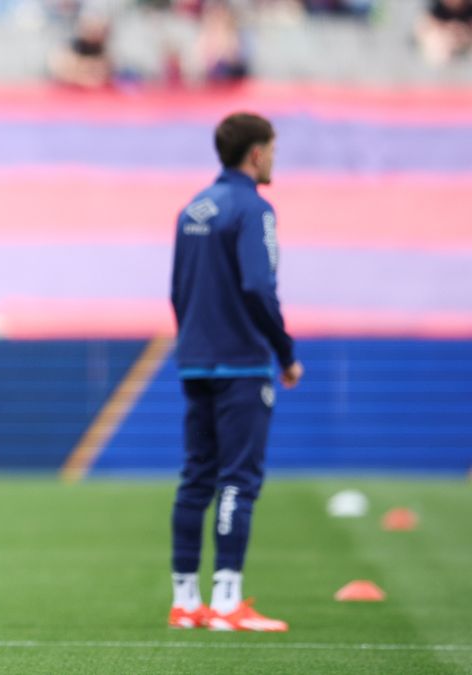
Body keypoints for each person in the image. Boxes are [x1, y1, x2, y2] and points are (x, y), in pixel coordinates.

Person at [167, 112, 303, 632]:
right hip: (241, 363)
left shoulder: (192, 208)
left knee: (196, 477)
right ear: (255, 153)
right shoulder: (254, 209)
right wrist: (284, 352)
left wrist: (193, 341)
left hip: (195, 358)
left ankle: (186, 601)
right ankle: (226, 602)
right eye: (271, 148)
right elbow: (258, 286)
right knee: (238, 481)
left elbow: (177, 290)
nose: (272, 158)